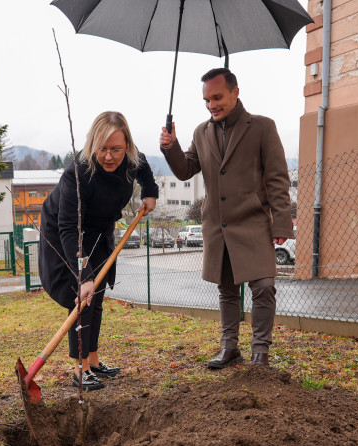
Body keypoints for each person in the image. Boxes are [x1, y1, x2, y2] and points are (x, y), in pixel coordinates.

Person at [159, 68, 294, 369]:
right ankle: (229, 348)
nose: (211, 105)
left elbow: (277, 178)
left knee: (263, 285)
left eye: (217, 98)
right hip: (218, 226)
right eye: (206, 100)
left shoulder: (262, 127)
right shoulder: (201, 133)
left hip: (253, 222)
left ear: (235, 92)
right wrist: (170, 148)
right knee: (227, 289)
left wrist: (282, 222)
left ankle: (260, 352)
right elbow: (185, 170)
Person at [39, 112, 158, 390]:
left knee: (98, 292)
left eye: (116, 149)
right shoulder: (78, 172)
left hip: (99, 229)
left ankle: (92, 362)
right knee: (82, 298)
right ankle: (79, 370)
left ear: (127, 146)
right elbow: (68, 228)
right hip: (65, 232)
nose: (108, 156)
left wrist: (150, 191)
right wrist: (83, 275)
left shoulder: (132, 158)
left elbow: (143, 168)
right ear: (92, 145)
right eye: (101, 149)